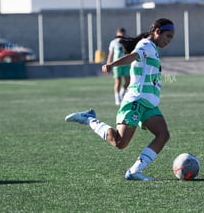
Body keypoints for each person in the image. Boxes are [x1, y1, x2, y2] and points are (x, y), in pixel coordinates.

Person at [65, 18, 175, 181]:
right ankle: (89, 119)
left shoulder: (152, 48)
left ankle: (134, 171)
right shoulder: (145, 45)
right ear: (157, 31)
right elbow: (132, 57)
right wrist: (111, 65)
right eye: (168, 36)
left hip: (149, 104)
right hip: (136, 101)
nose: (169, 41)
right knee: (120, 142)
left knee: (163, 135)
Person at [107, 27, 130, 105]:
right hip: (117, 64)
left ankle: (121, 93)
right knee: (118, 81)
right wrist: (108, 64)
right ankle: (117, 99)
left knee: (128, 81)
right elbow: (111, 54)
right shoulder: (113, 43)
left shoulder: (127, 42)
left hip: (126, 64)